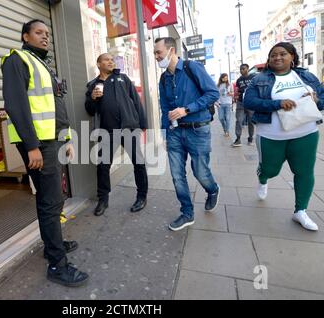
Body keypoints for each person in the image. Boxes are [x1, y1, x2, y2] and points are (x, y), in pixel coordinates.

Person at [1, 19, 89, 286]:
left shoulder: (43, 65)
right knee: (51, 201)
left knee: (51, 198)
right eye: (39, 32)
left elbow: (56, 106)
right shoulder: (16, 60)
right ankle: (57, 264)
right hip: (39, 144)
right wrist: (31, 146)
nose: (45, 37)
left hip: (52, 142)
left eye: (48, 33)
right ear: (25, 36)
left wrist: (66, 138)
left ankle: (53, 243)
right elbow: (15, 105)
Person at [244, 42, 324, 231]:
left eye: (283, 54)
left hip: (306, 133)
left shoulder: (306, 76)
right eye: (273, 55)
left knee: (304, 172)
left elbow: (323, 99)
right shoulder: (259, 79)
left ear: (292, 57)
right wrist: (278, 103)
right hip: (271, 135)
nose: (278, 57)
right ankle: (263, 179)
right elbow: (249, 101)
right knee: (270, 170)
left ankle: (300, 211)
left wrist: (317, 100)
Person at [154, 37, 220, 232]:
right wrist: (165, 134)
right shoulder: (164, 78)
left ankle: (213, 189)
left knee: (200, 172)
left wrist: (187, 109)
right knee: (176, 175)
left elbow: (213, 93)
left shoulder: (193, 68)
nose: (156, 57)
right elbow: (164, 107)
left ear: (171, 50)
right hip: (175, 132)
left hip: (197, 129)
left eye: (159, 52)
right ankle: (187, 213)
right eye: (155, 54)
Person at [85, 53, 148, 216]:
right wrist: (92, 98)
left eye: (112, 60)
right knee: (103, 166)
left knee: (138, 163)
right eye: (107, 59)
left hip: (129, 128)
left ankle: (142, 196)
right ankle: (103, 200)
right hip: (107, 131)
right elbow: (90, 110)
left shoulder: (123, 79)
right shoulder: (93, 84)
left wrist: (143, 124)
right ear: (98, 64)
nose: (111, 62)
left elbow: (136, 101)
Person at [233, 64, 256, 147]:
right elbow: (238, 90)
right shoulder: (239, 80)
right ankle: (238, 139)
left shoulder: (253, 78)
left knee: (251, 121)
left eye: (243, 69)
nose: (241, 70)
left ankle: (250, 138)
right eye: (240, 69)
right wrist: (237, 94)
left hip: (250, 102)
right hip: (240, 103)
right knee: (239, 120)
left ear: (247, 69)